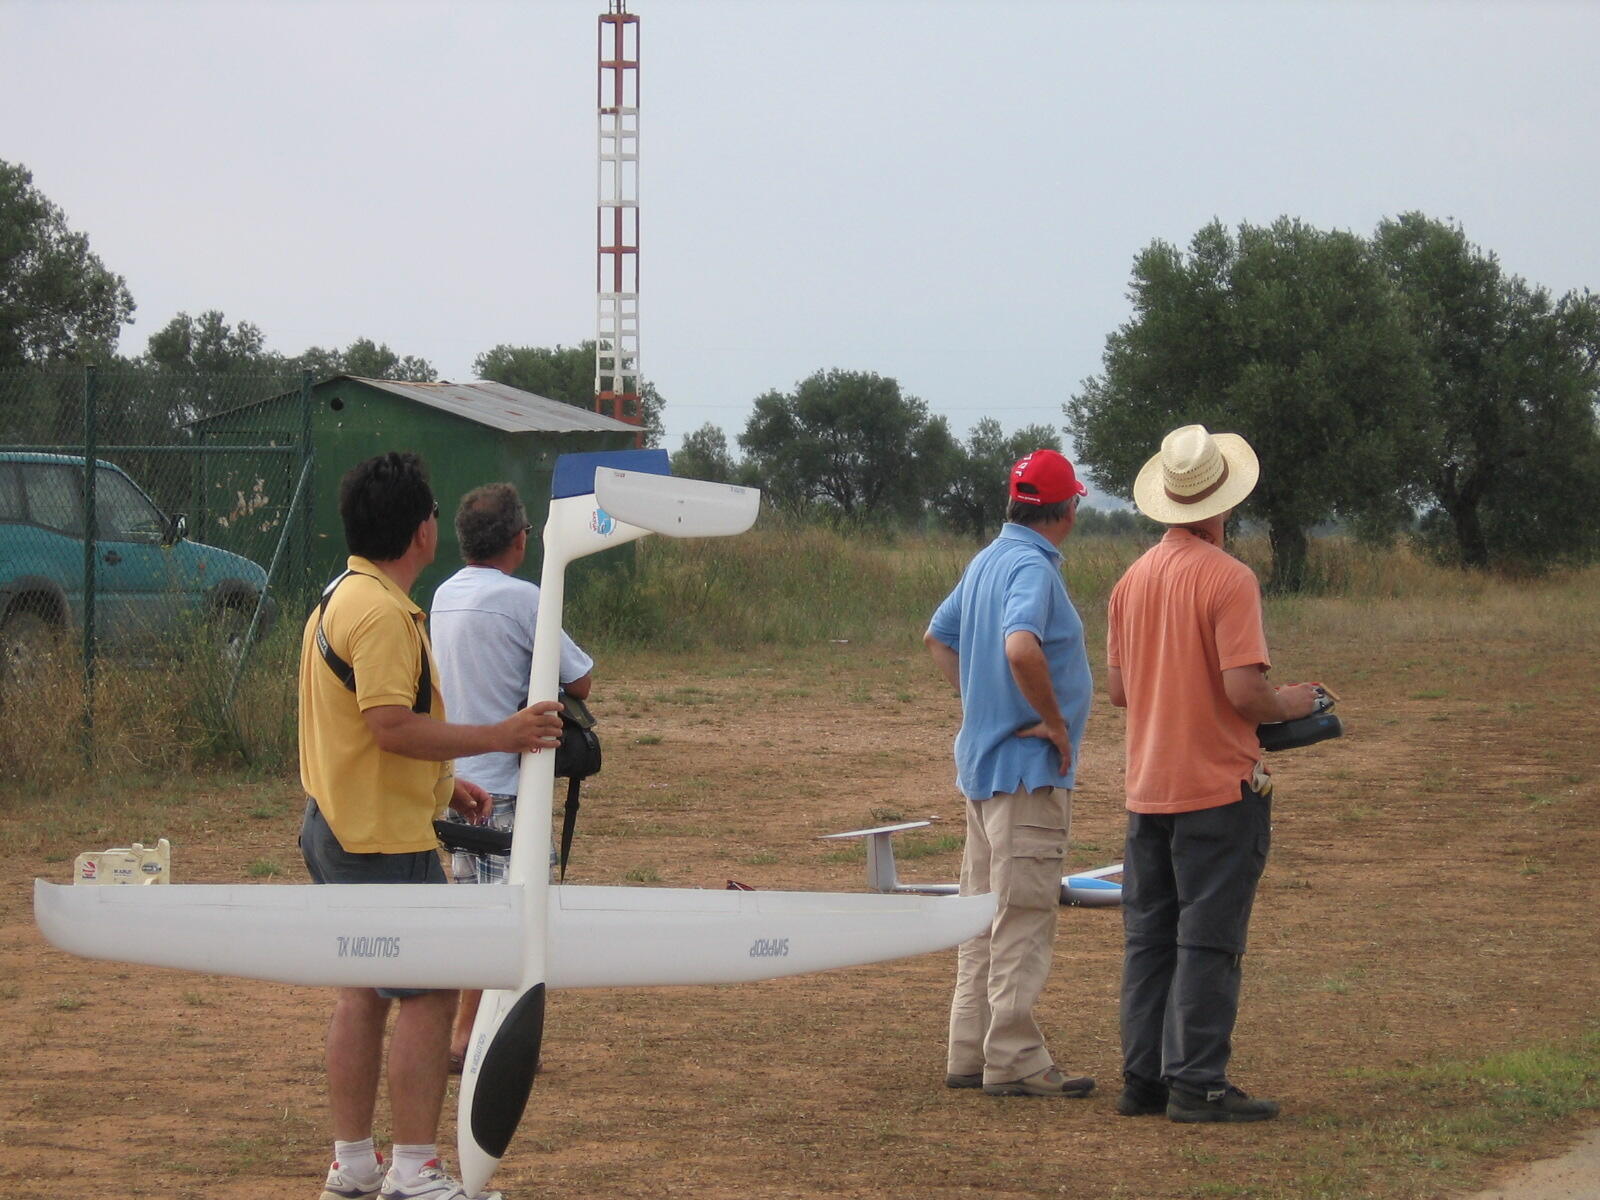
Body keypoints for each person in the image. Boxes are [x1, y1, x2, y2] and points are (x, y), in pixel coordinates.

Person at [299, 452, 564, 1200]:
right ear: (422, 530)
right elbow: (389, 726)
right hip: (379, 840)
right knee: (430, 990)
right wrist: (502, 734)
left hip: (335, 825)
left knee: (361, 990)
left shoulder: (341, 597)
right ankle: (414, 1168)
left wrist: (448, 786)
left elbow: (366, 731)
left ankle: (354, 1163)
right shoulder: (384, 614)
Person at [1106, 424, 1321, 1124]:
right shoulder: (1230, 579)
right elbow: (1244, 691)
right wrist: (1290, 703)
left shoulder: (1131, 581)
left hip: (1147, 788)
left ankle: (1144, 1079)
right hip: (1217, 791)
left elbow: (1119, 689)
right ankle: (1197, 1083)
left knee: (1149, 938)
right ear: (1222, 502)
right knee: (1208, 938)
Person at [924, 448, 1096, 1099]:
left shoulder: (987, 559)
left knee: (980, 915)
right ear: (1068, 509)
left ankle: (968, 1051)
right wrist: (1052, 720)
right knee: (1022, 913)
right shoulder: (1032, 567)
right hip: (1026, 775)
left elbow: (938, 636)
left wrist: (980, 703)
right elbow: (1021, 645)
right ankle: (1014, 1057)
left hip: (982, 769)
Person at [430, 482, 595, 1070]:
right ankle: (472, 1040)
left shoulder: (443, 594)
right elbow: (580, 679)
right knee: (515, 922)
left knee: (479, 916)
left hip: (456, 780)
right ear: (519, 539)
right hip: (505, 781)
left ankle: (472, 1034)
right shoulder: (525, 599)